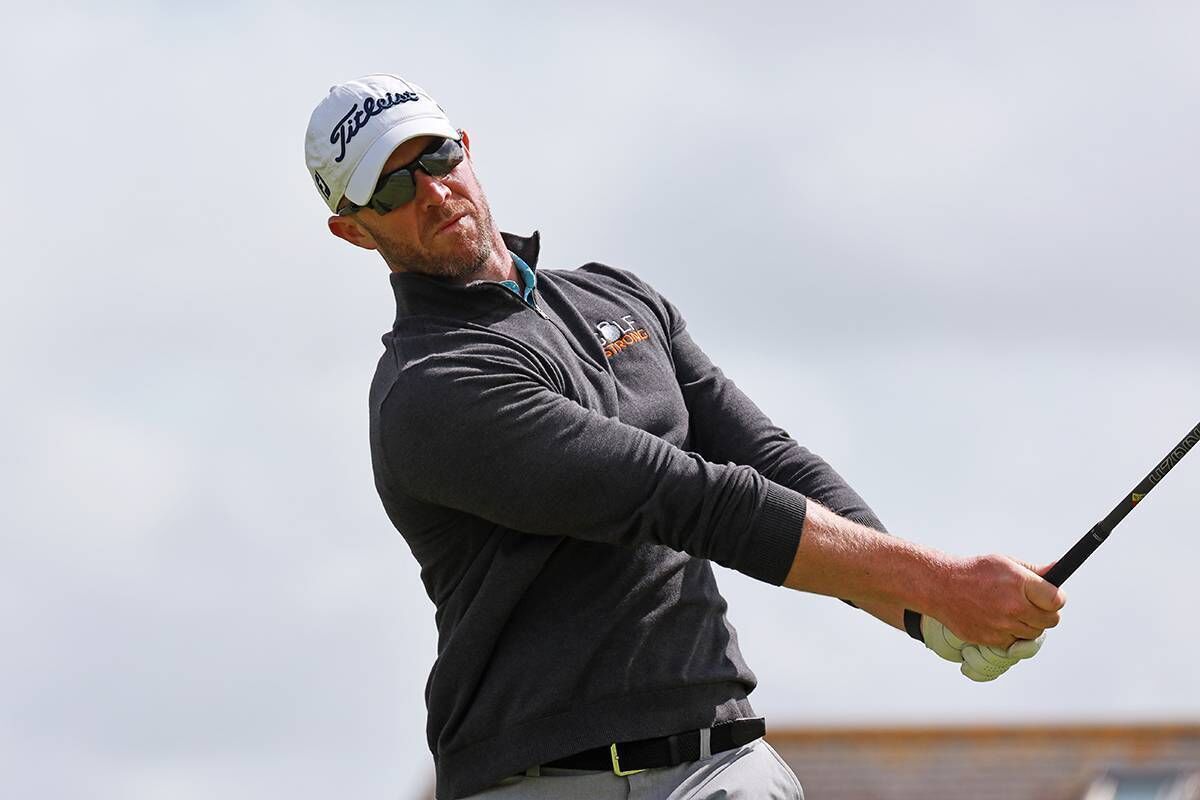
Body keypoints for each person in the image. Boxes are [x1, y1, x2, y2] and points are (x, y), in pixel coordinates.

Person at [303, 74, 1067, 800]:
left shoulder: (617, 295)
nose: (434, 191)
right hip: (541, 777)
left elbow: (765, 457)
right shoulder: (431, 387)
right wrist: (935, 583)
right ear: (352, 230)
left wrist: (919, 614)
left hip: (720, 761)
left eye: (436, 156)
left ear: (466, 144)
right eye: (394, 186)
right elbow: (680, 498)